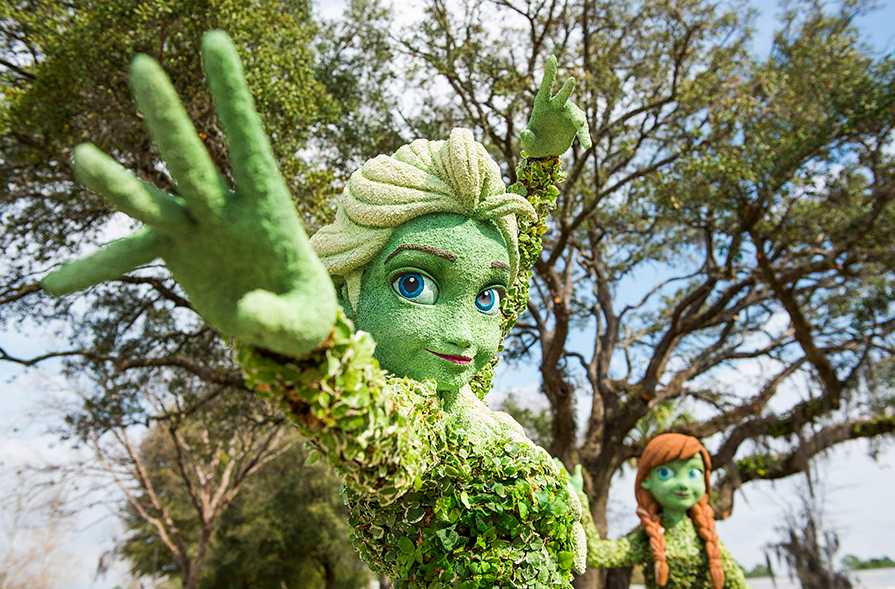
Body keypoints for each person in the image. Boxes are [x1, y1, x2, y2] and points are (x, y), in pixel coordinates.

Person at [42, 31, 593, 587]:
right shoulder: (415, 421)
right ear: (348, 296)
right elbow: (377, 436)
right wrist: (314, 351)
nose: (466, 333)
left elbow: (515, 271)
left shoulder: (463, 389)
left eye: (484, 298)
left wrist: (543, 159)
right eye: (414, 283)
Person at [584, 434, 749, 589]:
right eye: (666, 473)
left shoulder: (708, 540)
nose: (684, 484)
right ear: (646, 480)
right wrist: (578, 499)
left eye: (693, 473)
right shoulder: (646, 540)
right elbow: (594, 554)